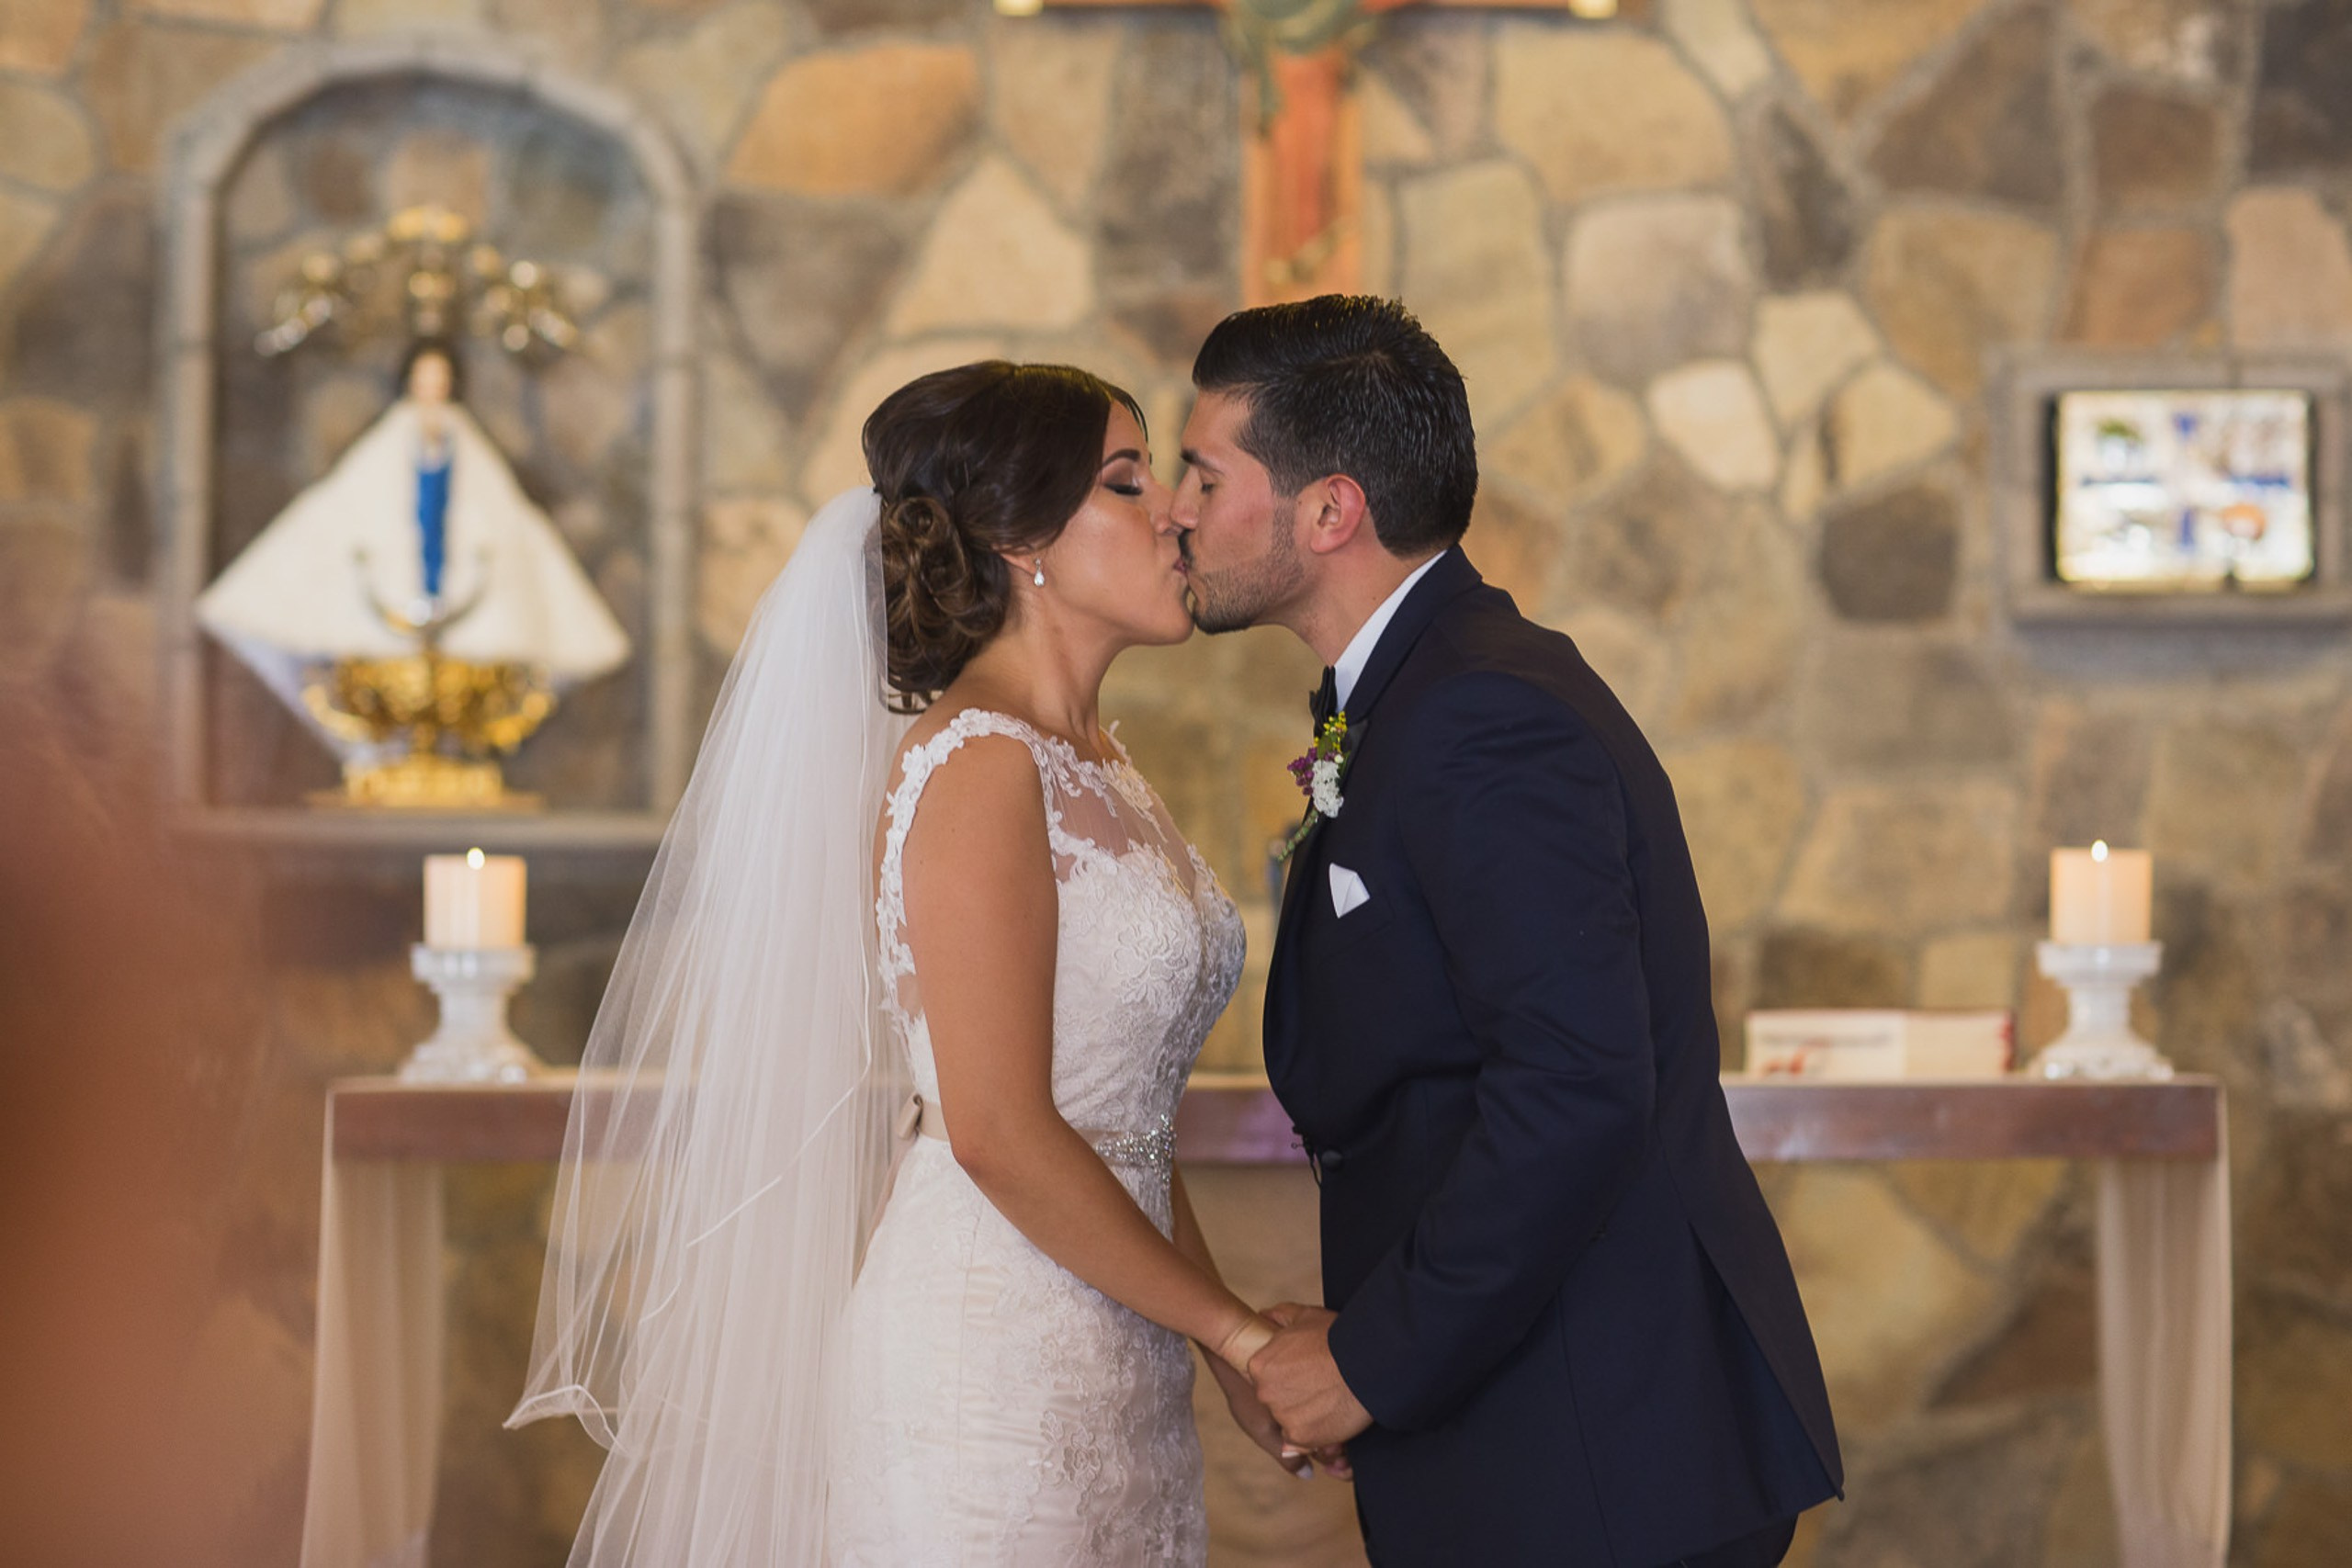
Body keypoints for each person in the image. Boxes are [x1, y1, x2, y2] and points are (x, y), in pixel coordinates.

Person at [512, 362, 1306, 1567]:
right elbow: (995, 1124)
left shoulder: (1104, 764)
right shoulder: (979, 763)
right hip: (985, 1364)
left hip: (1116, 1348)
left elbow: (1123, 1125)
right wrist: (1243, 1335)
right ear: (1014, 538)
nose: (1174, 513)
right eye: (1126, 481)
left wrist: (1211, 1347)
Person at [1173, 296, 1844, 1567]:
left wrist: (1372, 1355)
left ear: (1329, 511)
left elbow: (1580, 1088)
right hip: (1538, 1413)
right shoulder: (1422, 691)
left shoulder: (1482, 715)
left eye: (1208, 475)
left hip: (1595, 1444)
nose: (1179, 510)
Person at [196, 338, 628, 725]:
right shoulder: (388, 442)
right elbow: (356, 505)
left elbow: (489, 512)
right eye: (423, 380)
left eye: (439, 381)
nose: (431, 390)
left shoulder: (464, 443)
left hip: (451, 566)